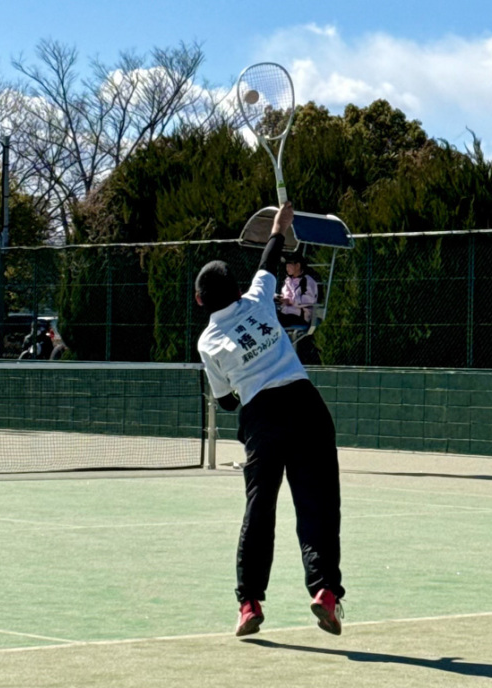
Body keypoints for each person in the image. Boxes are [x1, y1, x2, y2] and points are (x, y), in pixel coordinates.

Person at [195, 202, 345, 638]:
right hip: (306, 406)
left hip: (261, 418)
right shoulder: (259, 298)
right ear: (238, 288)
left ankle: (249, 604)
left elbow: (225, 403)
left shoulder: (208, 341)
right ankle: (325, 592)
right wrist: (281, 224)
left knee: (259, 510)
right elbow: (269, 258)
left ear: (200, 300)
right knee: (318, 505)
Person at [275, 253, 318, 328]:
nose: (287, 268)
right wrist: (280, 298)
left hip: (300, 316)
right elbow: (286, 295)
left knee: (276, 320)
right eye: (286, 265)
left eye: (289, 265)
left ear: (297, 266)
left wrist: (290, 301)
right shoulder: (288, 280)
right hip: (286, 312)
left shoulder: (307, 280)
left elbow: (310, 300)